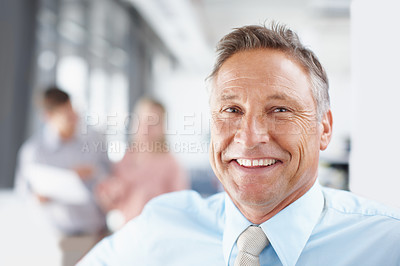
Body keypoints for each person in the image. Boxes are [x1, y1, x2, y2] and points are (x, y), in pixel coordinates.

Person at [78, 24, 400, 265]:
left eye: (280, 110)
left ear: (324, 128)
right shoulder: (160, 228)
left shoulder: (387, 244)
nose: (249, 137)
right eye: (232, 110)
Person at [14, 87, 111, 265]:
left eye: (73, 112)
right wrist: (37, 198)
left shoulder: (94, 139)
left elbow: (109, 172)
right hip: (67, 238)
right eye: (66, 115)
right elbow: (23, 194)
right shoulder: (34, 152)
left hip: (101, 230)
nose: (74, 119)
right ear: (48, 117)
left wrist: (95, 173)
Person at [95, 98, 189, 228]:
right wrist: (108, 196)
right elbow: (116, 203)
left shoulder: (170, 163)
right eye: (142, 120)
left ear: (162, 126)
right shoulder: (126, 157)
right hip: (128, 232)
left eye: (152, 122)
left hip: (158, 232)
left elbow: (180, 207)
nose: (146, 127)